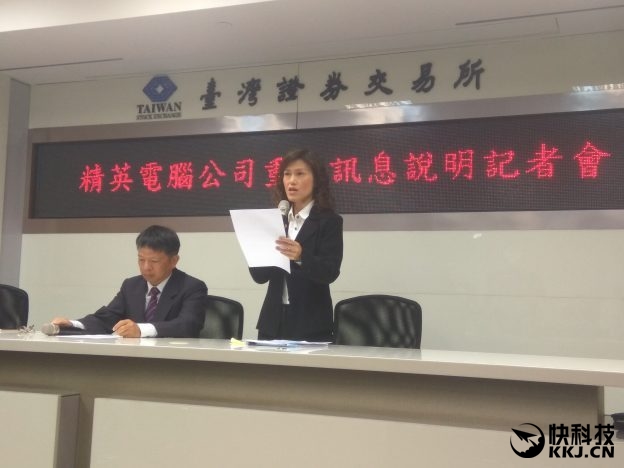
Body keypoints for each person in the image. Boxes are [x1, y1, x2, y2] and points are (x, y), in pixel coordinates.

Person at [250, 148, 343, 342]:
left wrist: (301, 256)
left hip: (310, 322)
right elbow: (259, 277)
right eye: (287, 174)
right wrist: (254, 250)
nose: (292, 181)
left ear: (316, 180)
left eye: (300, 174)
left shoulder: (329, 221)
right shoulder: (276, 220)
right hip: (272, 322)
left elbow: (330, 272)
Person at [51, 225, 208, 338]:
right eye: (141, 260)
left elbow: (188, 325)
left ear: (174, 261)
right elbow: (107, 318)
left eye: (154, 261)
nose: (146, 267)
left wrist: (140, 330)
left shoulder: (192, 287)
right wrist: (73, 324)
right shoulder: (131, 286)